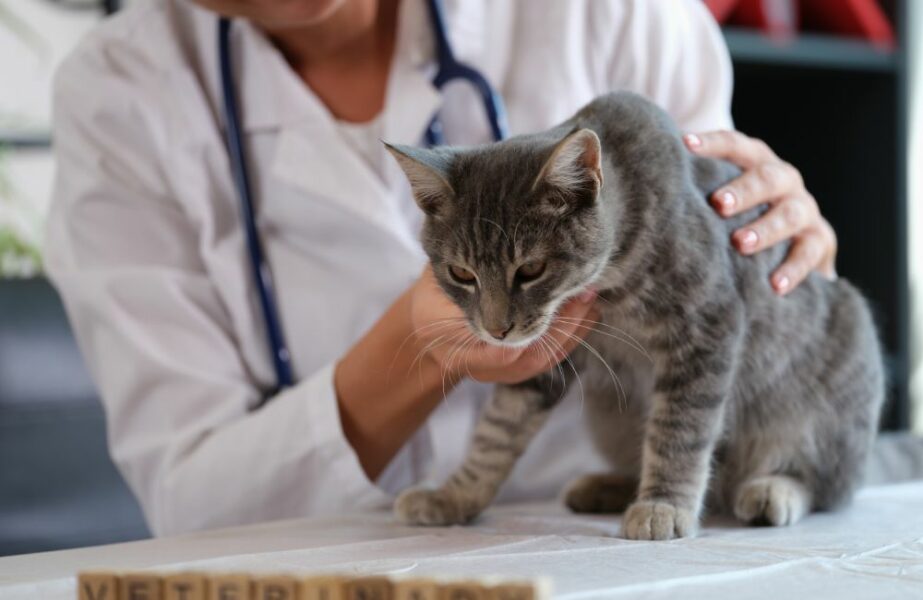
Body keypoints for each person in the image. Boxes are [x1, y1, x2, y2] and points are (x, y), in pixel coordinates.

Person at [46, 0, 838, 536]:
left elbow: (717, 308)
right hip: (320, 558)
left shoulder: (611, 10)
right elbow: (193, 507)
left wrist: (782, 246)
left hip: (597, 541)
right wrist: (415, 343)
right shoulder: (120, 91)